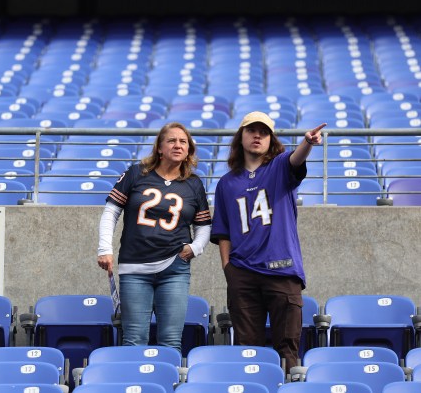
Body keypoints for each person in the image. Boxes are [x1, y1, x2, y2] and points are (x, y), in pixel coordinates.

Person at [210, 111, 326, 371]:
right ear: (241, 137)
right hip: (242, 274)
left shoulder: (280, 167)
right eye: (252, 130)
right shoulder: (226, 184)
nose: (258, 135)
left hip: (281, 270)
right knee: (247, 351)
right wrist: (228, 269)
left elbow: (296, 160)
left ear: (271, 139)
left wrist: (307, 143)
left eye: (264, 132)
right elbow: (223, 231)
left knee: (287, 350)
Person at [97, 122, 212, 352]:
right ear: (159, 147)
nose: (177, 145)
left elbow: (204, 225)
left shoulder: (194, 183)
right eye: (171, 140)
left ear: (189, 149)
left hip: (174, 268)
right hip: (135, 268)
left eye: (183, 141)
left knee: (171, 340)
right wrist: (104, 249)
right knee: (134, 339)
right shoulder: (136, 174)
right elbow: (111, 211)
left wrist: (195, 248)